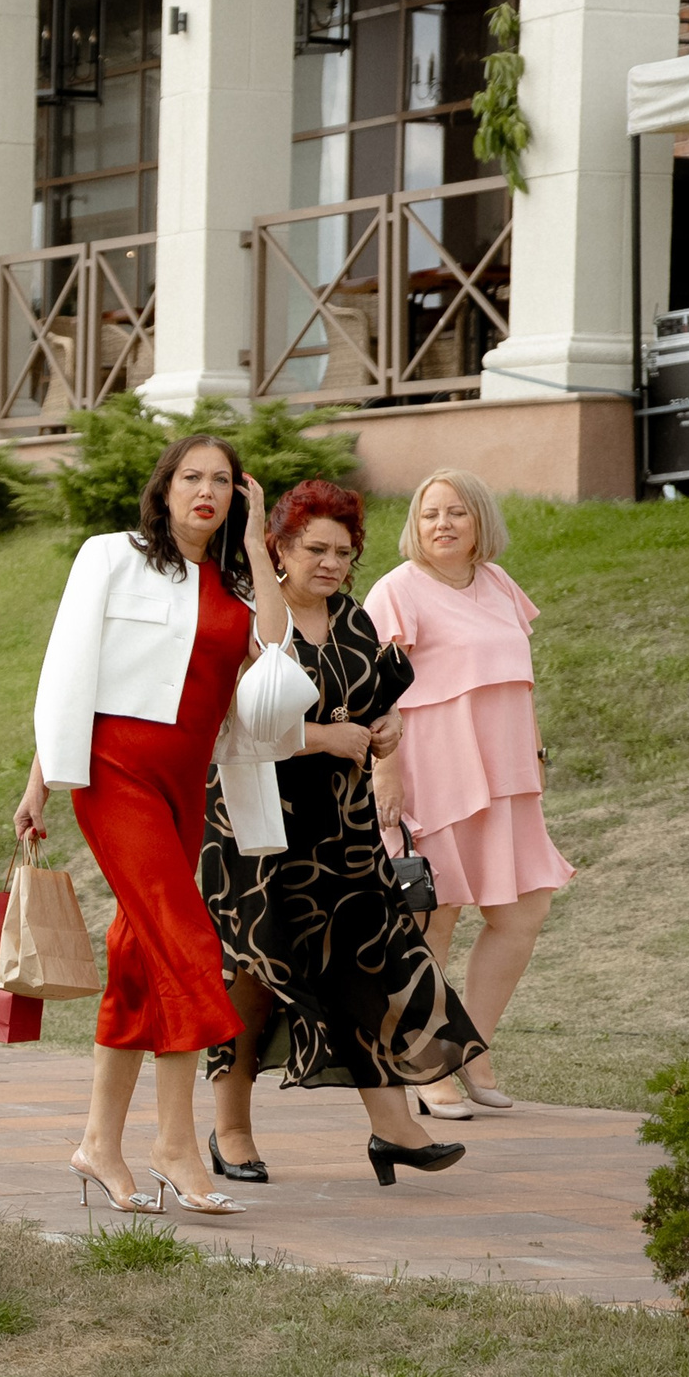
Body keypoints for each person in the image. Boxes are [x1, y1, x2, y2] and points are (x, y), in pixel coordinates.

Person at [14, 436, 286, 1218]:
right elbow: (70, 668)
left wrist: (261, 535)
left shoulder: (236, 581)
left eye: (224, 483)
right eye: (192, 478)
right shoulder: (111, 555)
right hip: (115, 768)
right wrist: (41, 780)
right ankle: (177, 1140)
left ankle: (100, 1143)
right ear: (165, 488)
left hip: (187, 781)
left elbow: (275, 646)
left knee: (139, 952)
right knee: (188, 940)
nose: (207, 491)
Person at [199, 480, 484, 1188]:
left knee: (365, 970)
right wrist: (328, 736)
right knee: (257, 978)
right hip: (260, 829)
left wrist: (385, 731)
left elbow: (378, 711)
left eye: (344, 552)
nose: (331, 563)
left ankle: (392, 1129)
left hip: (344, 833)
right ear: (281, 550)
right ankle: (230, 1129)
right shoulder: (252, 618)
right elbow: (239, 725)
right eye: (315, 548)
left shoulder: (355, 621)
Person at [367, 468, 573, 1117]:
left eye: (457, 512)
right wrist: (385, 771)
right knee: (436, 916)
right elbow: (373, 690)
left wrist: (534, 757)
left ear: (480, 519)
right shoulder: (398, 589)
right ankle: (429, 1064)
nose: (443, 524)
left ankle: (472, 1045)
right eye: (430, 513)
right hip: (433, 771)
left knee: (522, 913)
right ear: (414, 525)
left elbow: (519, 679)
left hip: (508, 779)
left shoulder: (500, 585)